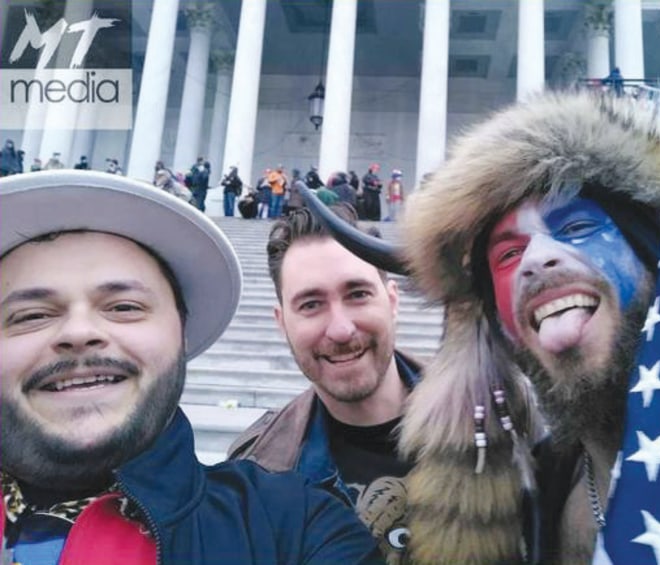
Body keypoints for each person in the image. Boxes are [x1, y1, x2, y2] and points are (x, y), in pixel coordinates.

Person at [299, 91, 660, 564]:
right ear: (498, 322)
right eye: (507, 254)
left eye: (577, 228)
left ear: (656, 257)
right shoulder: (549, 487)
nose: (537, 259)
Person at [0, 170, 384, 565]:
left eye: (124, 307)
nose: (79, 332)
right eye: (31, 315)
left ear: (182, 335)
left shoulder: (297, 528)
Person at [229, 205, 423, 564]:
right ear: (282, 322)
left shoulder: (505, 426)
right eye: (311, 304)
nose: (340, 329)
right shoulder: (254, 473)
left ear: (392, 301)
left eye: (358, 294)